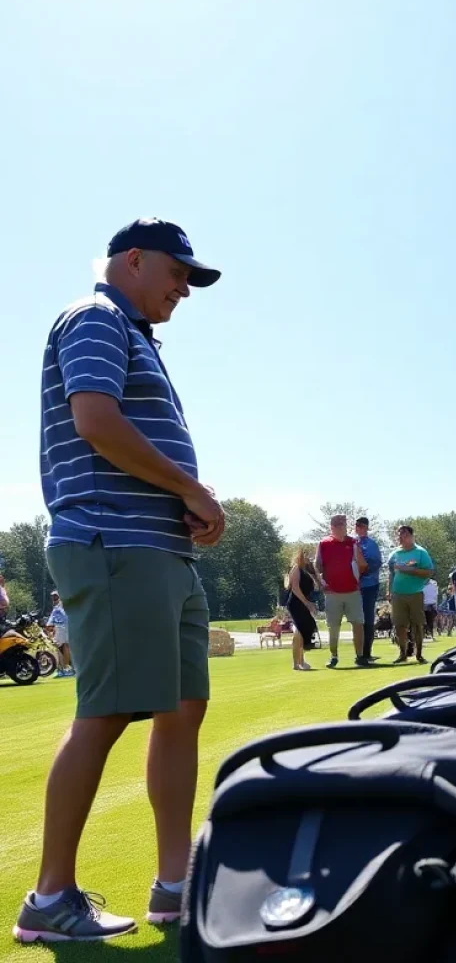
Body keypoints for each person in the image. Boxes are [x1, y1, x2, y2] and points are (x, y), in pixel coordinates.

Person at [15, 219, 224, 943]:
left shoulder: (136, 335)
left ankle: (174, 885)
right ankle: (49, 899)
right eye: (177, 272)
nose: (183, 289)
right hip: (113, 543)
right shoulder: (96, 317)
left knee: (184, 707)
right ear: (133, 260)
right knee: (103, 715)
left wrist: (183, 506)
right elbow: (95, 421)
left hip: (160, 550)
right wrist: (191, 488)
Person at [316, 514, 368, 668]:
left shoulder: (353, 542)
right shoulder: (324, 544)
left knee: (358, 624)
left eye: (343, 524)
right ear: (331, 527)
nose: (341, 527)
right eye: (337, 524)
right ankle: (334, 656)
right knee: (333, 626)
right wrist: (321, 583)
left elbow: (363, 564)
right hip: (332, 593)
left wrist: (356, 576)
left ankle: (359, 656)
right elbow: (318, 566)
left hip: (353, 591)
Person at [387, 525, 434, 664]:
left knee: (417, 624)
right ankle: (403, 654)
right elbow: (391, 574)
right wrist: (388, 591)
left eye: (405, 534)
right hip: (397, 594)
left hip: (415, 593)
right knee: (399, 625)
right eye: (399, 534)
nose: (401, 536)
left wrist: (408, 570)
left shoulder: (420, 552)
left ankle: (419, 654)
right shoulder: (394, 554)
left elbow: (429, 572)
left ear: (412, 536)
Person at [285, 547, 319, 671]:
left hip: (304, 603)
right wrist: (307, 603)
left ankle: (301, 661)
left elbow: (316, 585)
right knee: (299, 632)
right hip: (296, 604)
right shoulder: (296, 569)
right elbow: (295, 588)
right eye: (306, 555)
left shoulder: (308, 571)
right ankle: (297, 662)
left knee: (302, 632)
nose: (308, 558)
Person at [354, 516, 382, 663]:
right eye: (356, 525)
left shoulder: (371, 544)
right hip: (354, 587)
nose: (358, 528)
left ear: (366, 527)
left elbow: (376, 563)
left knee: (368, 619)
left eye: (360, 525)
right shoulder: (352, 543)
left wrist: (361, 572)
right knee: (357, 620)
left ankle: (366, 653)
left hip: (369, 586)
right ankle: (359, 653)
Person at [48, 591, 73, 678]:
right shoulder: (56, 606)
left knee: (65, 646)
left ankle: (66, 669)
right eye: (53, 596)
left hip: (63, 629)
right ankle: (63, 668)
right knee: (59, 647)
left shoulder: (61, 605)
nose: (54, 598)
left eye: (55, 596)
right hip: (59, 629)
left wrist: (50, 626)